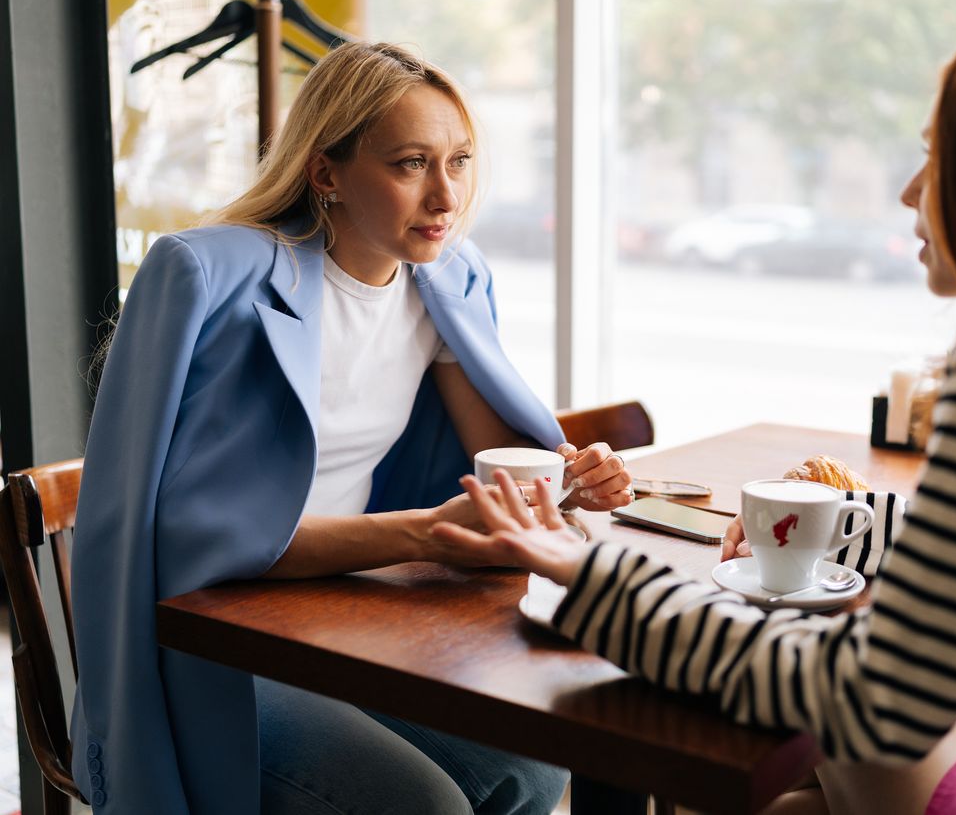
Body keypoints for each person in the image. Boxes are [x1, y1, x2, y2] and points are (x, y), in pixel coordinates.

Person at [431, 14, 956, 813]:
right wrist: (848, 525)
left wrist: (589, 576)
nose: (911, 192)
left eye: (936, 157)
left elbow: (877, 699)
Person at [71, 42, 633, 814]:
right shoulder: (209, 279)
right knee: (423, 803)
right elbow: (203, 542)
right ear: (325, 171)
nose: (446, 197)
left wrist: (573, 476)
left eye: (459, 161)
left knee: (531, 771)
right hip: (218, 641)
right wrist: (424, 532)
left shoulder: (444, 278)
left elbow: (502, 460)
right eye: (410, 164)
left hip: (344, 614)